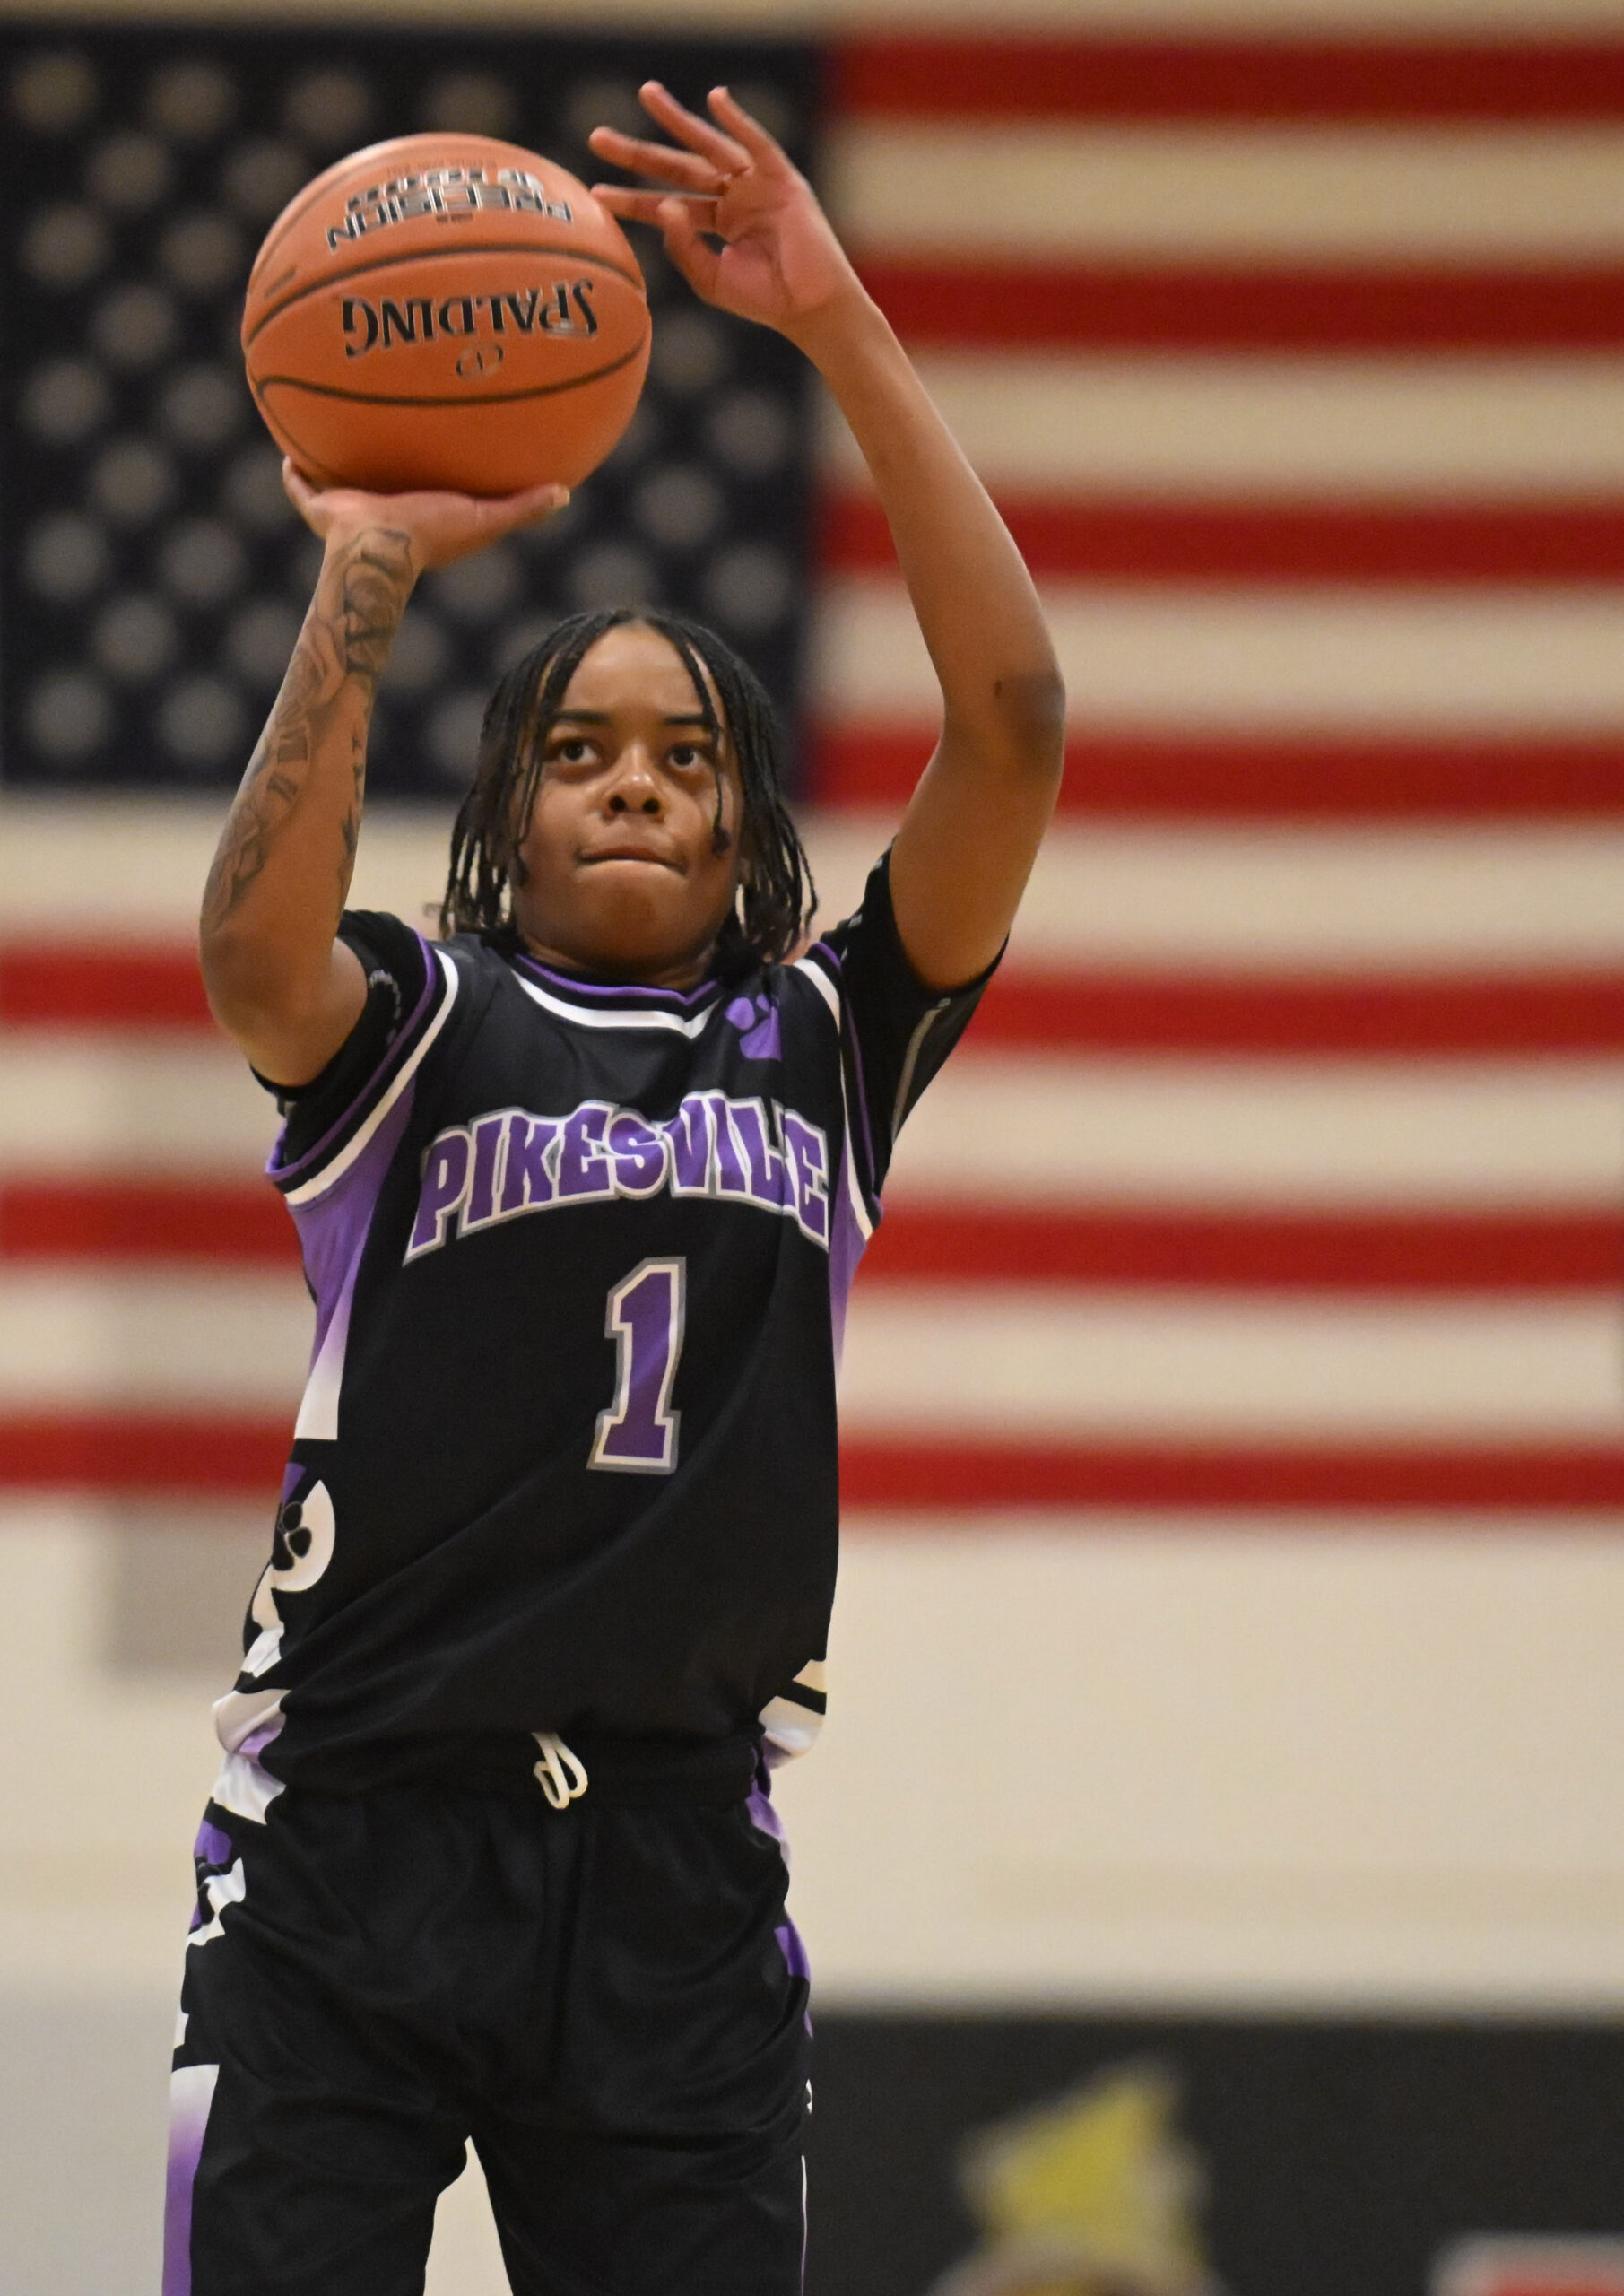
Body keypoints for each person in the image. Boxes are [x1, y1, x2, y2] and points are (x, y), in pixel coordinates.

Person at [170, 80, 1064, 2296]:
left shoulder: (830, 1038)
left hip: (671, 1863)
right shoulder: (416, 1027)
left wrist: (834, 315)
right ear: (508, 822)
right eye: (579, 752)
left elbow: (1021, 716)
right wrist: (364, 570)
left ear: (755, 825)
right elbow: (247, 947)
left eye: (690, 755)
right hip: (356, 1840)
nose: (637, 783)